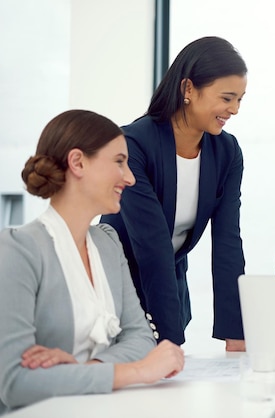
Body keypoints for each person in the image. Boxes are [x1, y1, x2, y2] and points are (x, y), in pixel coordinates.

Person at [0, 110, 184, 415]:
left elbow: (140, 338)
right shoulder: (18, 250)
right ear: (78, 162)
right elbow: (16, 382)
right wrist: (136, 372)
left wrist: (85, 367)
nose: (130, 177)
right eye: (118, 162)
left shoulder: (108, 243)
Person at [101, 36, 248, 351]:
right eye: (227, 98)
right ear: (188, 89)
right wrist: (170, 342)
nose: (234, 109)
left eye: (240, 99)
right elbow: (151, 243)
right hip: (119, 286)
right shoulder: (133, 144)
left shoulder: (227, 151)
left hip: (170, 286)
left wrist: (237, 332)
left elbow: (227, 242)